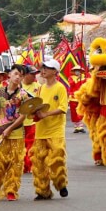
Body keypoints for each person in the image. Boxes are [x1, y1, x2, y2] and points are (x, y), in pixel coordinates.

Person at [0, 64, 30, 201]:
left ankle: (11, 190)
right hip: (0, 132)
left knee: (16, 163)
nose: (18, 77)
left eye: (21, 75)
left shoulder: (23, 95)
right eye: (16, 74)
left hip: (17, 133)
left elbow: (23, 116)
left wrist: (10, 128)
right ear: (9, 75)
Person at [31, 59, 69, 200]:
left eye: (47, 68)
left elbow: (63, 108)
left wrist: (46, 114)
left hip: (56, 130)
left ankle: (61, 183)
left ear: (55, 71)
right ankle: (43, 191)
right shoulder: (40, 88)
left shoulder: (60, 88)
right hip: (41, 130)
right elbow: (36, 105)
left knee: (56, 159)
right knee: (39, 163)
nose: (44, 70)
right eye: (43, 68)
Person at [21, 65, 40, 173]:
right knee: (21, 145)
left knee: (32, 144)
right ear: (25, 75)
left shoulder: (38, 86)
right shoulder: (18, 86)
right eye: (32, 74)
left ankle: (31, 164)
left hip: (32, 121)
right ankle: (23, 166)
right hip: (19, 121)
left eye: (35, 74)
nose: (34, 76)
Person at [67, 66, 87, 133]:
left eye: (78, 70)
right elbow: (71, 84)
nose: (77, 72)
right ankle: (76, 126)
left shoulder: (84, 78)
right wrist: (77, 79)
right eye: (76, 70)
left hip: (80, 97)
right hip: (73, 98)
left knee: (81, 111)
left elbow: (85, 85)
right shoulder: (71, 78)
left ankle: (80, 126)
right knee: (74, 112)